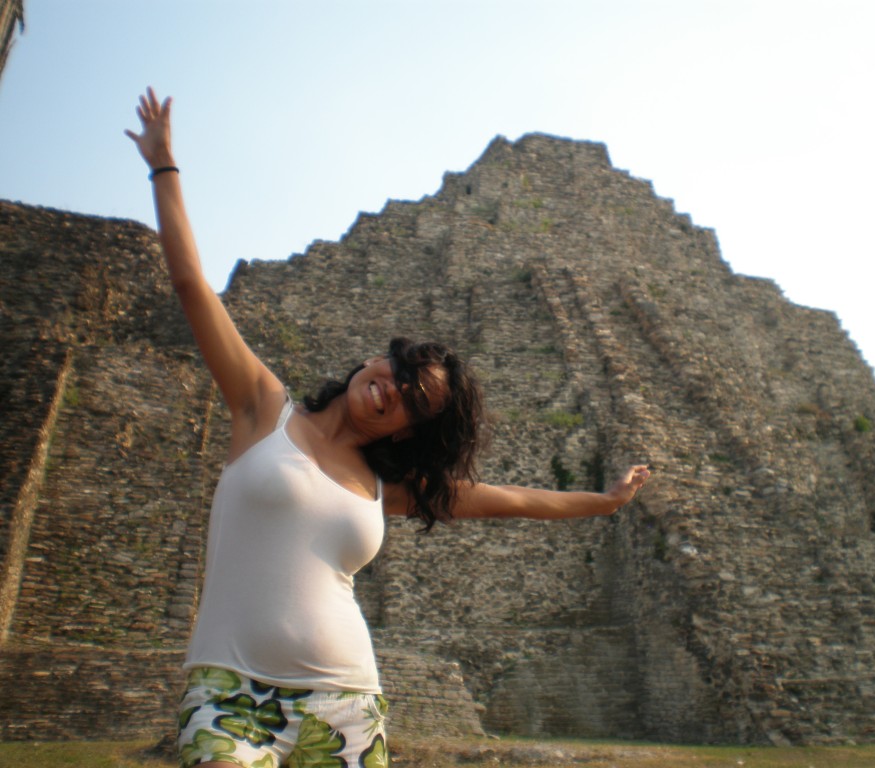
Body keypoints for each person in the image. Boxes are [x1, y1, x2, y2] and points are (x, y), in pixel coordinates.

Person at [126, 88, 651, 768]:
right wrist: (165, 167)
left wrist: (606, 503)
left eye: (411, 398)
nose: (392, 387)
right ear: (375, 357)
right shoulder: (263, 409)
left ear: (406, 428)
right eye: (397, 368)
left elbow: (513, 500)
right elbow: (192, 285)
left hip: (344, 700)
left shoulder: (384, 487)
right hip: (228, 694)